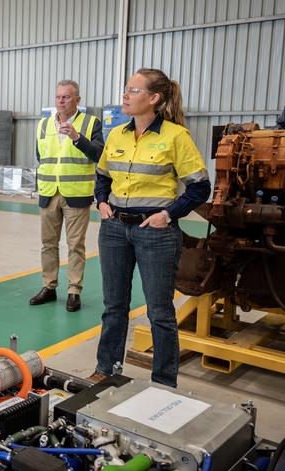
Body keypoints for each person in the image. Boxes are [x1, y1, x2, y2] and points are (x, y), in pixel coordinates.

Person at [91, 68, 211, 387]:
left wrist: (168, 215)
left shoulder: (175, 136)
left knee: (159, 312)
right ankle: (107, 369)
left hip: (155, 233)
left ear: (154, 98)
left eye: (133, 90)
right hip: (114, 228)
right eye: (125, 89)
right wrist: (101, 202)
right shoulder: (116, 134)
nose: (125, 95)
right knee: (114, 306)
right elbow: (103, 176)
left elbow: (200, 187)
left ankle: (163, 381)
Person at [29, 80, 104, 312]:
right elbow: (41, 157)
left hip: (77, 195)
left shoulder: (91, 123)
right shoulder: (43, 125)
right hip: (49, 193)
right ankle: (49, 286)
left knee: (75, 245)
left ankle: (74, 290)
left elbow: (99, 154)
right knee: (48, 244)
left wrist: (77, 138)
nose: (61, 101)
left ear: (77, 100)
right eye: (58, 97)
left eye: (67, 97)